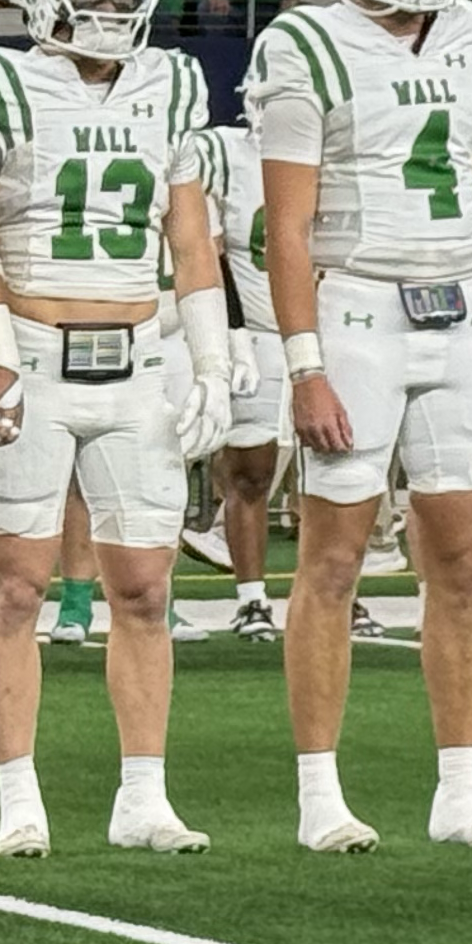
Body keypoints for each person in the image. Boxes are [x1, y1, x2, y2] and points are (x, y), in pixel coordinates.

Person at [251, 0, 472, 852]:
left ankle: (462, 786)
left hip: (463, 311)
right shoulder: (307, 43)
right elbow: (285, 228)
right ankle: (318, 791)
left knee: (460, 562)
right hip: (360, 308)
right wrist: (304, 364)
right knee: (332, 560)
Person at [0, 0, 230, 856]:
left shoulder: (173, 84)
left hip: (137, 360)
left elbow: (191, 238)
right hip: (32, 352)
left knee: (147, 590)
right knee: (17, 588)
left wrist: (213, 358)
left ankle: (142, 794)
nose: (109, 5)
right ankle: (17, 792)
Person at [194, 114, 287, 641]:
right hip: (259, 331)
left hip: (335, 322)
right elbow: (211, 248)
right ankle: (252, 598)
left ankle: (348, 595)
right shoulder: (226, 152)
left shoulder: (343, 148)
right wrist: (230, 331)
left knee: (337, 473)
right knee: (250, 470)